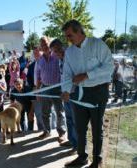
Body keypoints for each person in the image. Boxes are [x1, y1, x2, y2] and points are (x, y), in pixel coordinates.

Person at [61, 20, 114, 168]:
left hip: (99, 91)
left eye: (70, 35)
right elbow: (66, 74)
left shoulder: (97, 44)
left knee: (97, 128)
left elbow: (109, 67)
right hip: (79, 93)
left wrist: (87, 75)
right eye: (66, 36)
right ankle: (82, 157)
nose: (68, 39)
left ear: (79, 32)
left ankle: (97, 161)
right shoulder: (69, 52)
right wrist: (65, 90)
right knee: (80, 127)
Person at [36, 36, 67, 142]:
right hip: (44, 88)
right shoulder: (39, 60)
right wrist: (38, 91)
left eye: (45, 43)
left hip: (57, 88)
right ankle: (46, 131)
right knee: (45, 112)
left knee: (60, 112)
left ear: (49, 43)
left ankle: (61, 133)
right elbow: (38, 76)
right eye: (42, 44)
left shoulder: (56, 56)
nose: (44, 46)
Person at [49, 39, 77, 153]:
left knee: (76, 121)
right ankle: (71, 140)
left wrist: (68, 92)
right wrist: (63, 91)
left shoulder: (70, 58)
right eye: (54, 52)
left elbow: (75, 77)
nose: (54, 53)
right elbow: (63, 77)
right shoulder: (60, 60)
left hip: (73, 94)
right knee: (69, 119)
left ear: (61, 48)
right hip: (65, 94)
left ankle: (77, 147)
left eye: (55, 51)